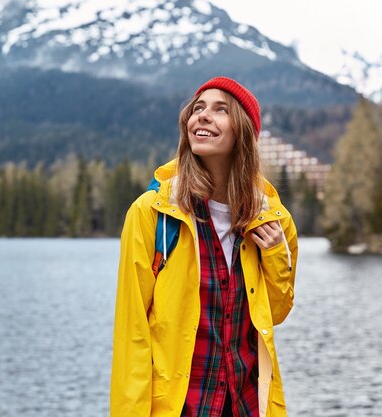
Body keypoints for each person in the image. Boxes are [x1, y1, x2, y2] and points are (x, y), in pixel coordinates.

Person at [110, 77, 298, 417]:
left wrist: (274, 256)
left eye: (220, 109)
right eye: (198, 108)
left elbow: (276, 313)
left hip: (247, 404)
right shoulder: (152, 213)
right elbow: (132, 335)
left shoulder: (273, 219)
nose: (203, 116)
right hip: (181, 407)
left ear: (242, 131)